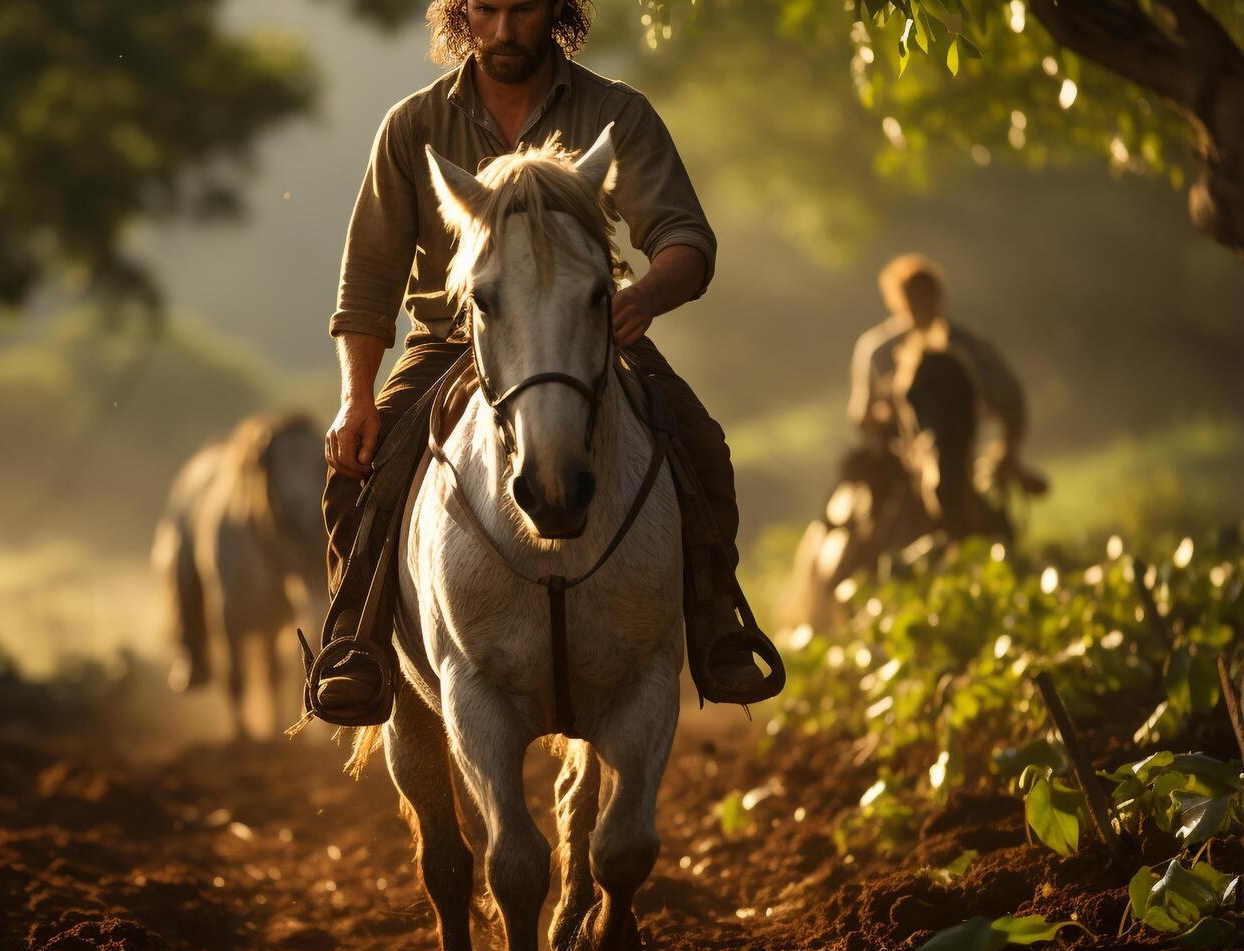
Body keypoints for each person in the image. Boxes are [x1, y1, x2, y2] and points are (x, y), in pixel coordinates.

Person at [311, 0, 779, 723]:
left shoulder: (616, 114)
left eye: (521, 8)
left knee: (700, 444)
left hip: (588, 335)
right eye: (486, 9)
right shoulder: (412, 125)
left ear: (556, 9)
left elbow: (685, 238)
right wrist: (355, 398)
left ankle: (716, 624)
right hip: (451, 341)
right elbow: (368, 283)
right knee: (355, 474)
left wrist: (644, 296)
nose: (501, 30)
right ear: (460, 13)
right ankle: (357, 642)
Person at [847, 254, 1046, 501]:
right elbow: (862, 415)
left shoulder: (967, 346)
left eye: (926, 298)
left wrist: (1007, 451)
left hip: (965, 449)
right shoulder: (878, 350)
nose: (922, 306)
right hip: (901, 458)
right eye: (915, 299)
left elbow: (1010, 399)